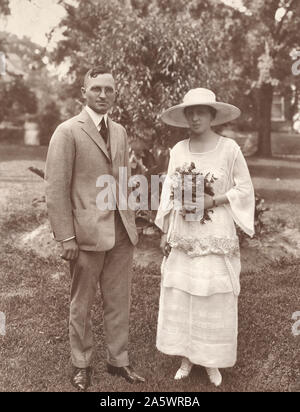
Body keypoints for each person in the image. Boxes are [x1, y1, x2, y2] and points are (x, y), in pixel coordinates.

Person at [45, 66, 145, 391]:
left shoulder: (119, 131)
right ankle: (81, 364)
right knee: (82, 303)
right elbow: (56, 188)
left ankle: (119, 362)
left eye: (109, 90)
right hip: (85, 236)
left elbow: (124, 181)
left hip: (120, 233)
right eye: (96, 89)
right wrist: (66, 237)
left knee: (119, 300)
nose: (103, 95)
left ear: (115, 95)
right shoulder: (68, 131)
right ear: (83, 93)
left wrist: (131, 221)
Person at [155, 88, 255, 387]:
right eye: (190, 112)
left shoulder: (229, 149)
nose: (195, 117)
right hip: (184, 232)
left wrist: (214, 200)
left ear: (213, 115)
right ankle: (187, 357)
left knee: (213, 291)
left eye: (201, 111)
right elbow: (169, 194)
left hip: (215, 231)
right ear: (185, 116)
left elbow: (244, 189)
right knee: (185, 289)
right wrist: (166, 231)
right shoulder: (178, 150)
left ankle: (211, 359)